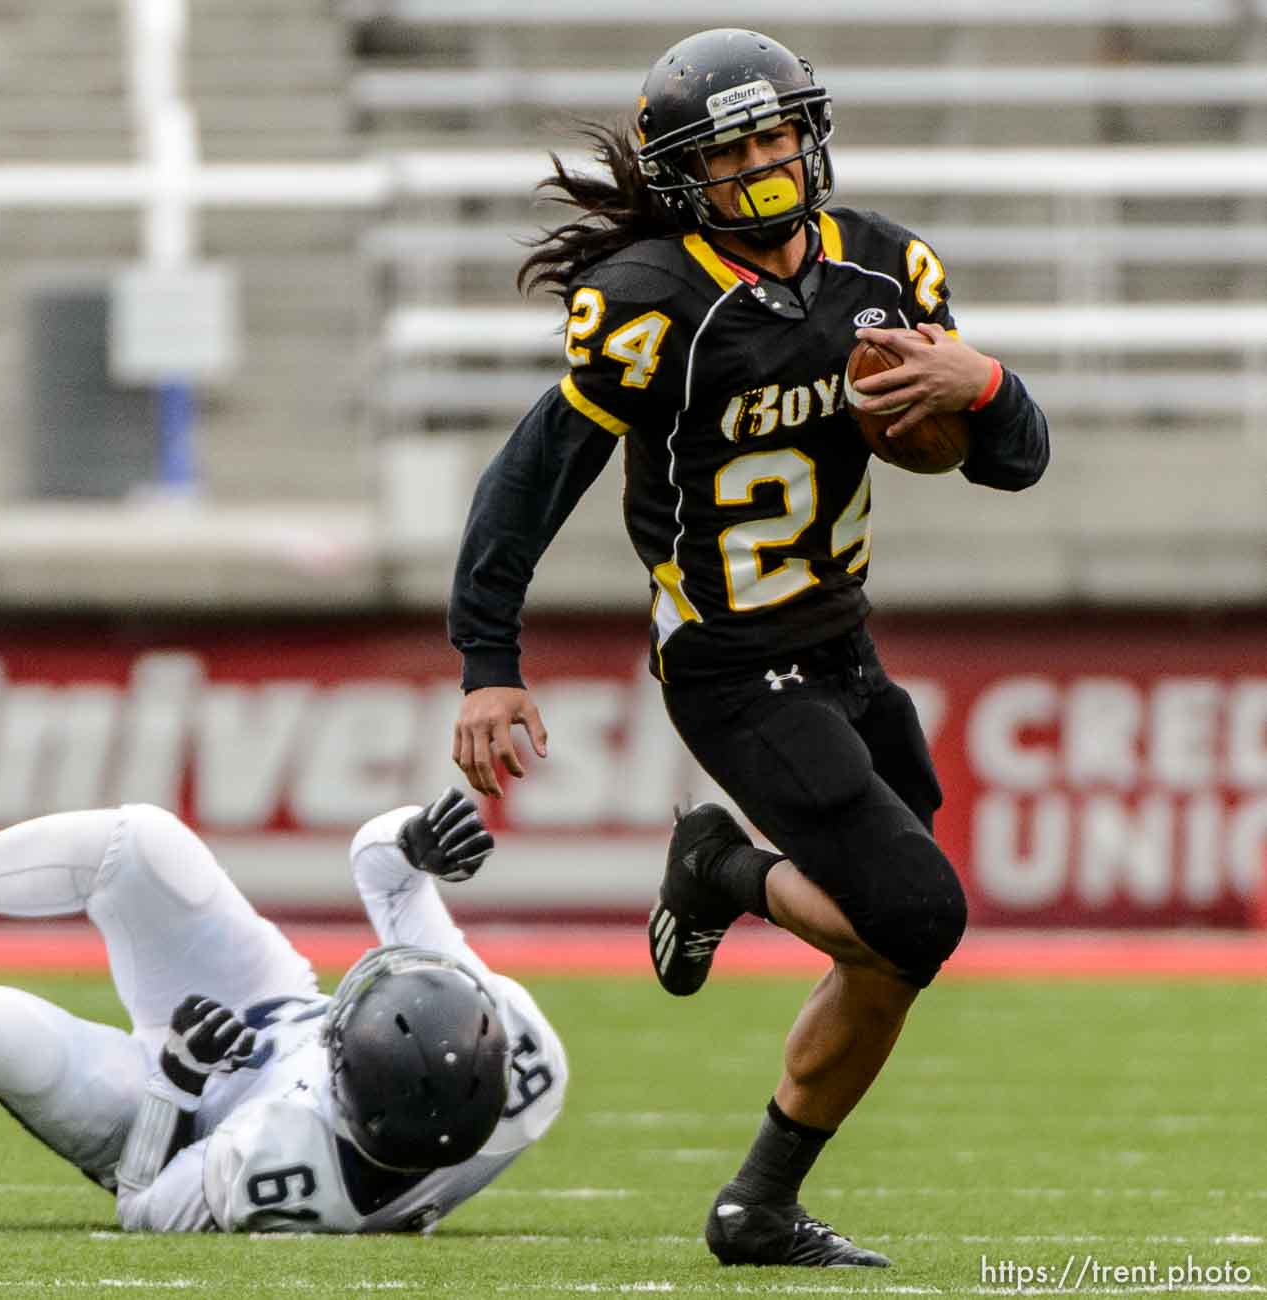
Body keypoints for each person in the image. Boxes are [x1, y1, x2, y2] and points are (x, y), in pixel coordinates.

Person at [447, 28, 1048, 1268]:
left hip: (844, 647)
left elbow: (1015, 461)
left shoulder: (884, 269)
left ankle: (758, 1205)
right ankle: (717, 864)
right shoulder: (654, 300)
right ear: (686, 174)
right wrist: (488, 656)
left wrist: (979, 383)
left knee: (897, 950)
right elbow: (535, 475)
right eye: (734, 148)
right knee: (919, 912)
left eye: (780, 133)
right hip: (727, 660)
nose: (768, 162)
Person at [0, 789, 567, 1234]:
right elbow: (383, 870)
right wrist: (414, 838)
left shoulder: (285, 1167)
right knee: (142, 841)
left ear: (345, 1098)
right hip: (263, 1005)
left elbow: (144, 1201)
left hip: (181, 1113)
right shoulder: (511, 1049)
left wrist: (178, 1078)